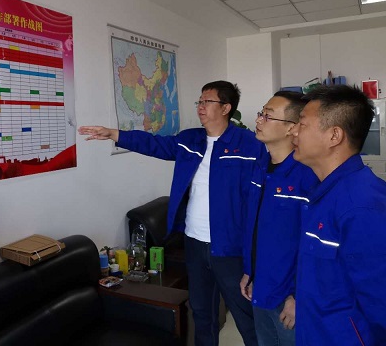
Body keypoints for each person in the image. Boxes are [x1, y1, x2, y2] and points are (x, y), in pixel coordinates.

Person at [79, 80, 264, 346]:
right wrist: (114, 134)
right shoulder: (190, 139)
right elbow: (155, 144)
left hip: (230, 247)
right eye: (199, 101)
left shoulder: (249, 145)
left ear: (226, 108)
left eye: (207, 101)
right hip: (194, 242)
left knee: (245, 315)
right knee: (202, 313)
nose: (200, 107)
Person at [292, 85, 386, 345]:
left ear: (334, 135)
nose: (293, 131)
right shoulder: (325, 191)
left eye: (302, 124)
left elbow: (380, 305)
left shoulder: (362, 206)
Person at [240, 92, 318, 346]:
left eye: (268, 115)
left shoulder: (307, 176)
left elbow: (313, 246)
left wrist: (298, 296)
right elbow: (254, 228)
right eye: (261, 113)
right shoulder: (260, 166)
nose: (259, 119)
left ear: (291, 128)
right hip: (260, 286)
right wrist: (249, 271)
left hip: (289, 299)